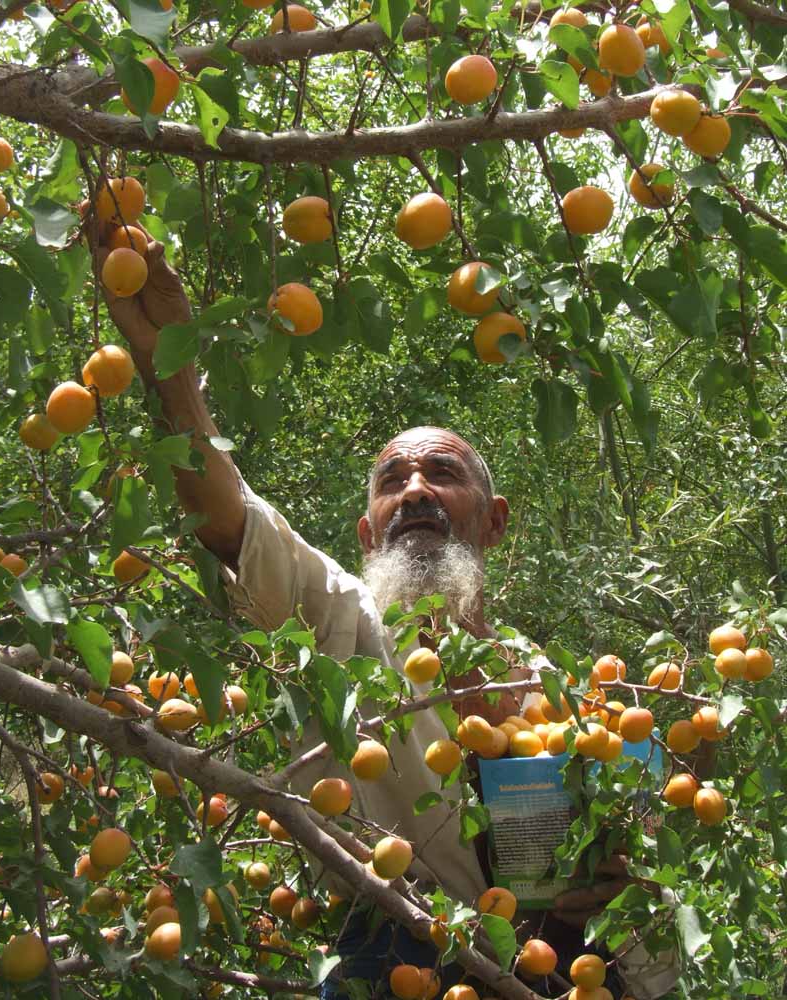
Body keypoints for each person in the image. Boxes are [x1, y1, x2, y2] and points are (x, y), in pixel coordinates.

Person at [98, 233, 678, 1000]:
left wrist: (622, 879)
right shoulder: (342, 624)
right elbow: (225, 514)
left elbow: (649, 858)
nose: (414, 491)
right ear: (368, 530)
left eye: (442, 473)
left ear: (495, 521)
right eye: (392, 481)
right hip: (406, 966)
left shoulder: (555, 681)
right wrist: (167, 359)